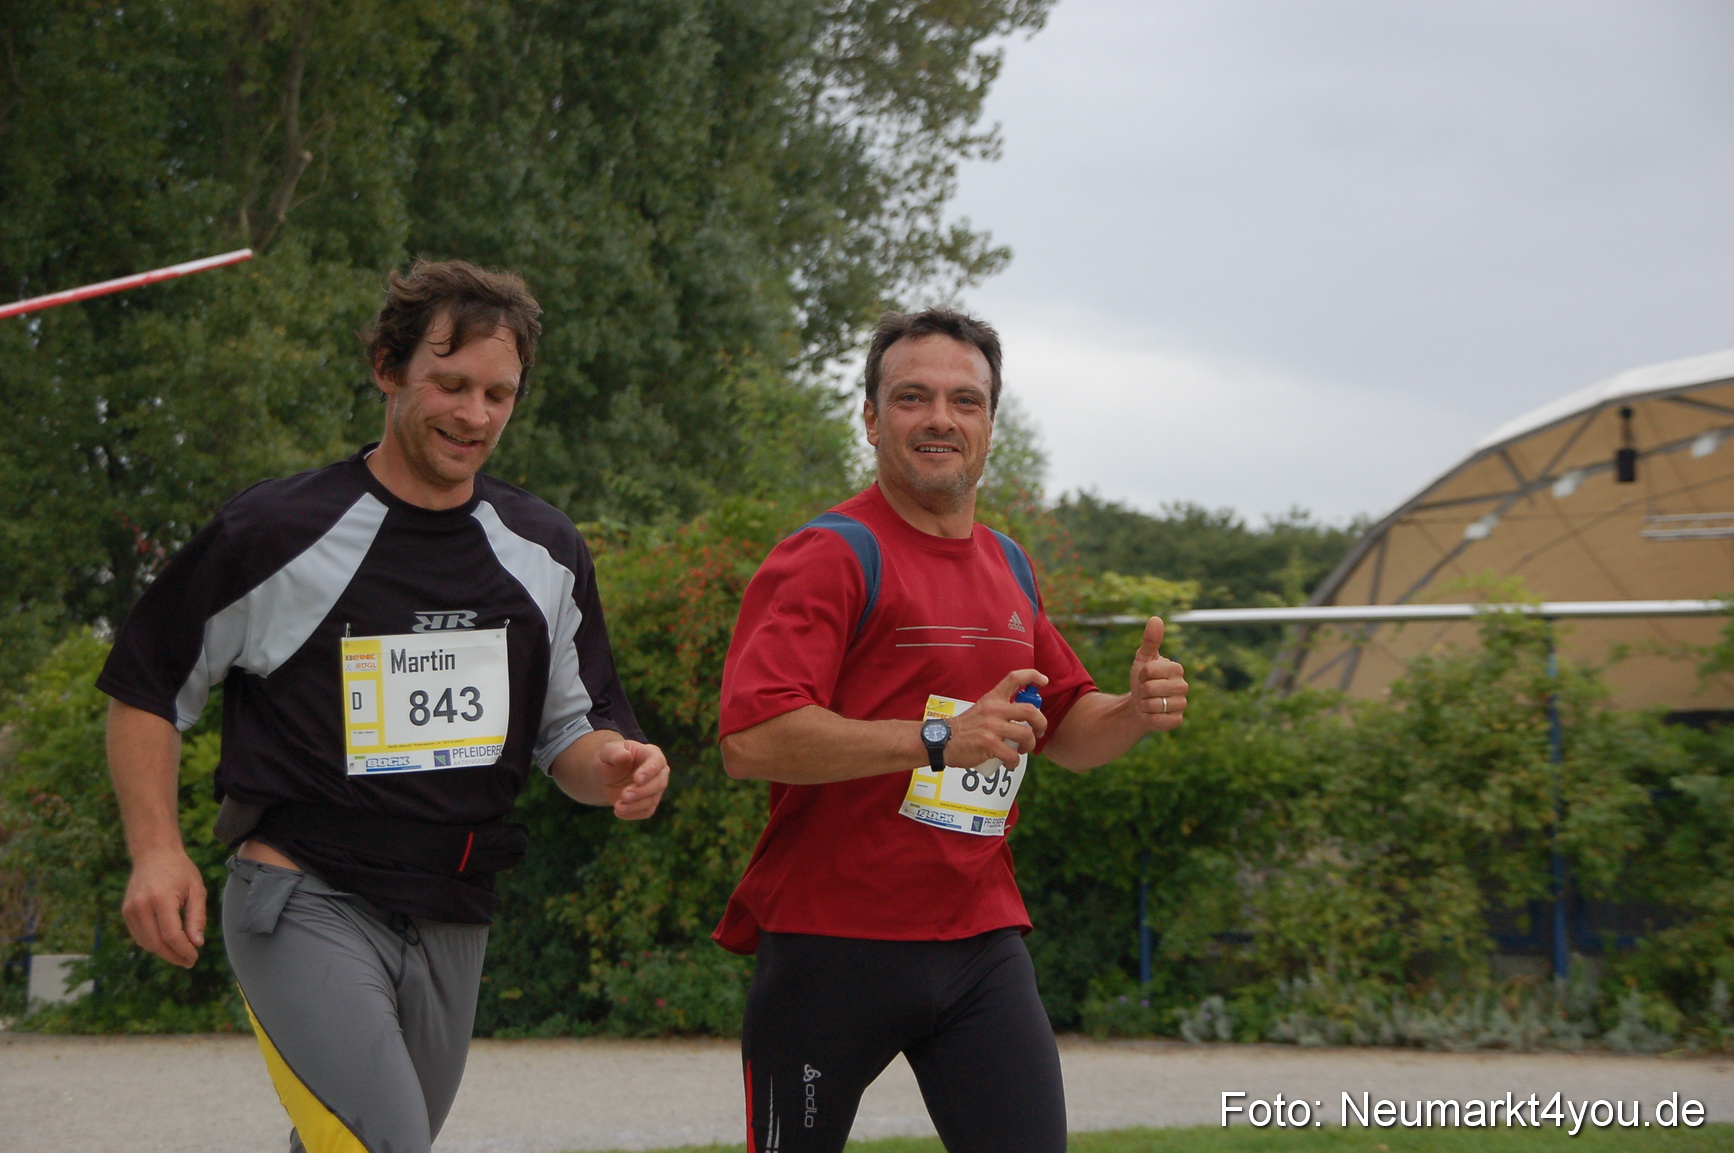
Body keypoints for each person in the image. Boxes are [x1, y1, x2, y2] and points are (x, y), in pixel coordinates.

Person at [98, 259, 670, 1153]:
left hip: (453, 910)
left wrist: (620, 766)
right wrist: (157, 850)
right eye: (449, 383)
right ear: (387, 369)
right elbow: (145, 687)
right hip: (303, 895)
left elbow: (572, 730)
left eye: (498, 393)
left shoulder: (544, 549)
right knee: (382, 1144)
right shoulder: (277, 532)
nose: (474, 415)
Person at [713, 307, 1189, 1153]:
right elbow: (753, 737)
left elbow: (1068, 730)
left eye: (965, 401)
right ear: (870, 418)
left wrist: (1132, 711)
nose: (941, 418)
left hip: (978, 946)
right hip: (832, 945)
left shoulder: (1007, 562)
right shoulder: (829, 553)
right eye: (913, 397)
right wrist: (933, 740)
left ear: (990, 426)